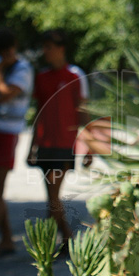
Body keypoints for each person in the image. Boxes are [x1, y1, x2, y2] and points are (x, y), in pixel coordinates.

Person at [28, 29, 92, 251]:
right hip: (45, 145)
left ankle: (64, 240)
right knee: (51, 196)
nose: (46, 51)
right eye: (44, 47)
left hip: (65, 145)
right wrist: (31, 146)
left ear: (61, 48)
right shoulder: (42, 77)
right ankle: (61, 242)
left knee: (53, 195)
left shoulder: (75, 75)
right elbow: (39, 113)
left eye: (49, 47)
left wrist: (91, 147)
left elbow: (83, 112)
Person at [0, 27, 33, 257]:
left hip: (7, 132)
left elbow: (4, 93)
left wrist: (0, 71)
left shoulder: (22, 68)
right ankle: (6, 239)